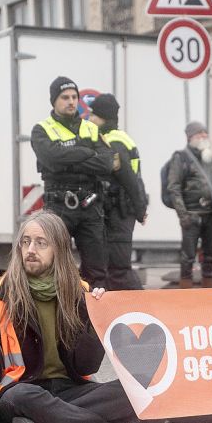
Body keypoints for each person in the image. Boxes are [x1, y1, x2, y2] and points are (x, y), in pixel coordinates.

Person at [0, 211, 164, 423]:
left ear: (58, 249)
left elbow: (86, 367)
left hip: (71, 392)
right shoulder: (2, 294)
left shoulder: (79, 292)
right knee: (24, 397)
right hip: (22, 391)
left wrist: (94, 315)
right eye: (25, 242)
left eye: (41, 243)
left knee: (140, 391)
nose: (30, 250)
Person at [30, 76, 112, 289]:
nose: (71, 101)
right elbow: (50, 158)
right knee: (53, 265)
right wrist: (87, 152)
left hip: (90, 205)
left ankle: (93, 319)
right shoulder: (41, 129)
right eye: (65, 97)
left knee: (97, 269)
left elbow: (106, 163)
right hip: (58, 205)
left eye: (74, 97)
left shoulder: (91, 128)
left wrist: (67, 159)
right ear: (54, 101)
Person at [89, 93, 147, 291]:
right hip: (122, 210)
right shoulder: (122, 138)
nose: (89, 119)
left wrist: (140, 210)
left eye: (93, 115)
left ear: (102, 117)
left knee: (119, 268)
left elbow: (129, 179)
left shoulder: (113, 143)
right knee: (112, 268)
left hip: (118, 212)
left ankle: (144, 309)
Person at [167, 122, 212, 289]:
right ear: (190, 137)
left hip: (210, 215)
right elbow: (174, 187)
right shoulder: (180, 157)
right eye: (200, 134)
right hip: (191, 215)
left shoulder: (209, 157)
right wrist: (183, 215)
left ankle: (209, 290)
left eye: (205, 133)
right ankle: (186, 292)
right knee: (188, 257)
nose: (204, 136)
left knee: (210, 255)